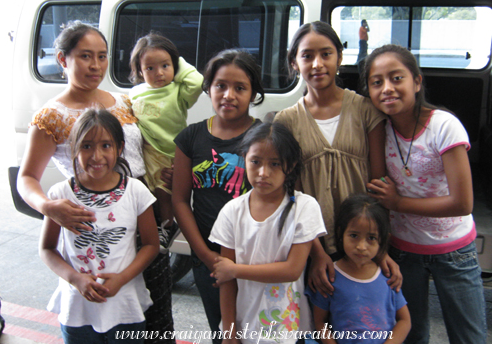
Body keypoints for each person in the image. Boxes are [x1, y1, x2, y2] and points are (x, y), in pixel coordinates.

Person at [17, 21, 175, 344]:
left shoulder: (122, 101)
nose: (96, 65)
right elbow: (26, 178)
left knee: (154, 315)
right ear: (63, 60)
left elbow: (143, 149)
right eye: (85, 56)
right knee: (102, 314)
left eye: (102, 56)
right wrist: (49, 207)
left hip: (142, 212)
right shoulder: (52, 116)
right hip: (95, 225)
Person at [364, 44, 487, 344]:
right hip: (404, 252)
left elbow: (462, 202)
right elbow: (379, 187)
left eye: (396, 78)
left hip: (454, 251)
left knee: (469, 336)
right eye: (376, 82)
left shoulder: (444, 126)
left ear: (417, 82)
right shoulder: (380, 128)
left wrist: (399, 203)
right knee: (412, 334)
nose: (387, 89)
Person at [273, 21, 400, 297]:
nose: (317, 64)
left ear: (340, 58)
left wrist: (381, 248)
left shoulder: (365, 110)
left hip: (362, 243)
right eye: (307, 56)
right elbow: (290, 192)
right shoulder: (287, 120)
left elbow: (378, 184)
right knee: (320, 328)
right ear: (294, 62)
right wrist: (317, 253)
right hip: (312, 242)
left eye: (326, 54)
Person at [39, 109, 159, 344]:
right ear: (73, 148)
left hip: (125, 308)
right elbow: (47, 249)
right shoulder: (60, 195)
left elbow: (151, 245)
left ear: (120, 148)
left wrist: (122, 278)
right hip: (77, 310)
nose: (96, 156)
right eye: (86, 146)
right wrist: (76, 279)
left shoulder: (136, 192)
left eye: (106, 145)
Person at [173, 49, 264, 344]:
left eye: (240, 88)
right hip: (208, 258)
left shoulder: (264, 137)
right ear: (208, 88)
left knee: (259, 333)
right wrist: (202, 254)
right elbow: (179, 200)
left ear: (253, 93)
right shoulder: (191, 137)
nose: (229, 95)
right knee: (223, 333)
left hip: (255, 258)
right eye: (221, 86)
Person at [209, 122, 326, 344]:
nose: (263, 173)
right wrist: (229, 333)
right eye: (255, 162)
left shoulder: (304, 207)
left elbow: (292, 270)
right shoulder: (232, 211)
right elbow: (227, 281)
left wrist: (235, 270)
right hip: (245, 326)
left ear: (290, 165)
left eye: (274, 164)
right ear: (244, 158)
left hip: (285, 330)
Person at [129, 33, 204, 251]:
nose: (159, 73)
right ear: (140, 72)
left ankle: (168, 227)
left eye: (165, 65)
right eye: (150, 68)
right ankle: (155, 228)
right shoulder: (135, 93)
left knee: (165, 192)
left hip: (171, 152)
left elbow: (197, 82)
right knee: (149, 194)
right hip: (146, 150)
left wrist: (177, 60)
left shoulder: (178, 91)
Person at [306, 194, 411, 344]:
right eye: (354, 235)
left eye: (371, 238)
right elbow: (320, 323)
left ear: (383, 240)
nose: (361, 246)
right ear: (341, 233)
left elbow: (404, 320)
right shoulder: (329, 276)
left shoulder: (388, 276)